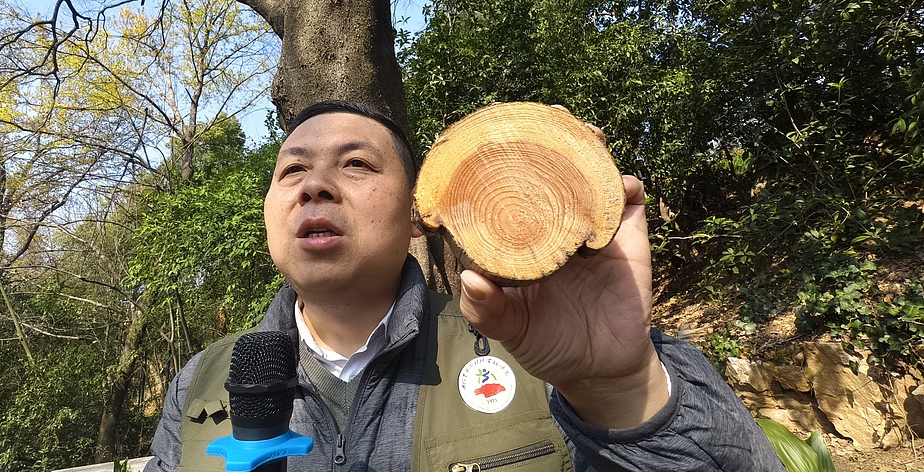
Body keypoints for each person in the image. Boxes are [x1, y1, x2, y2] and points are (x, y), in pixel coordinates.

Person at [144, 100, 784, 472]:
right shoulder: (201, 386)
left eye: (357, 164)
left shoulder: (536, 353)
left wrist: (619, 387)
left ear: (420, 210)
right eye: (292, 171)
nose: (314, 186)